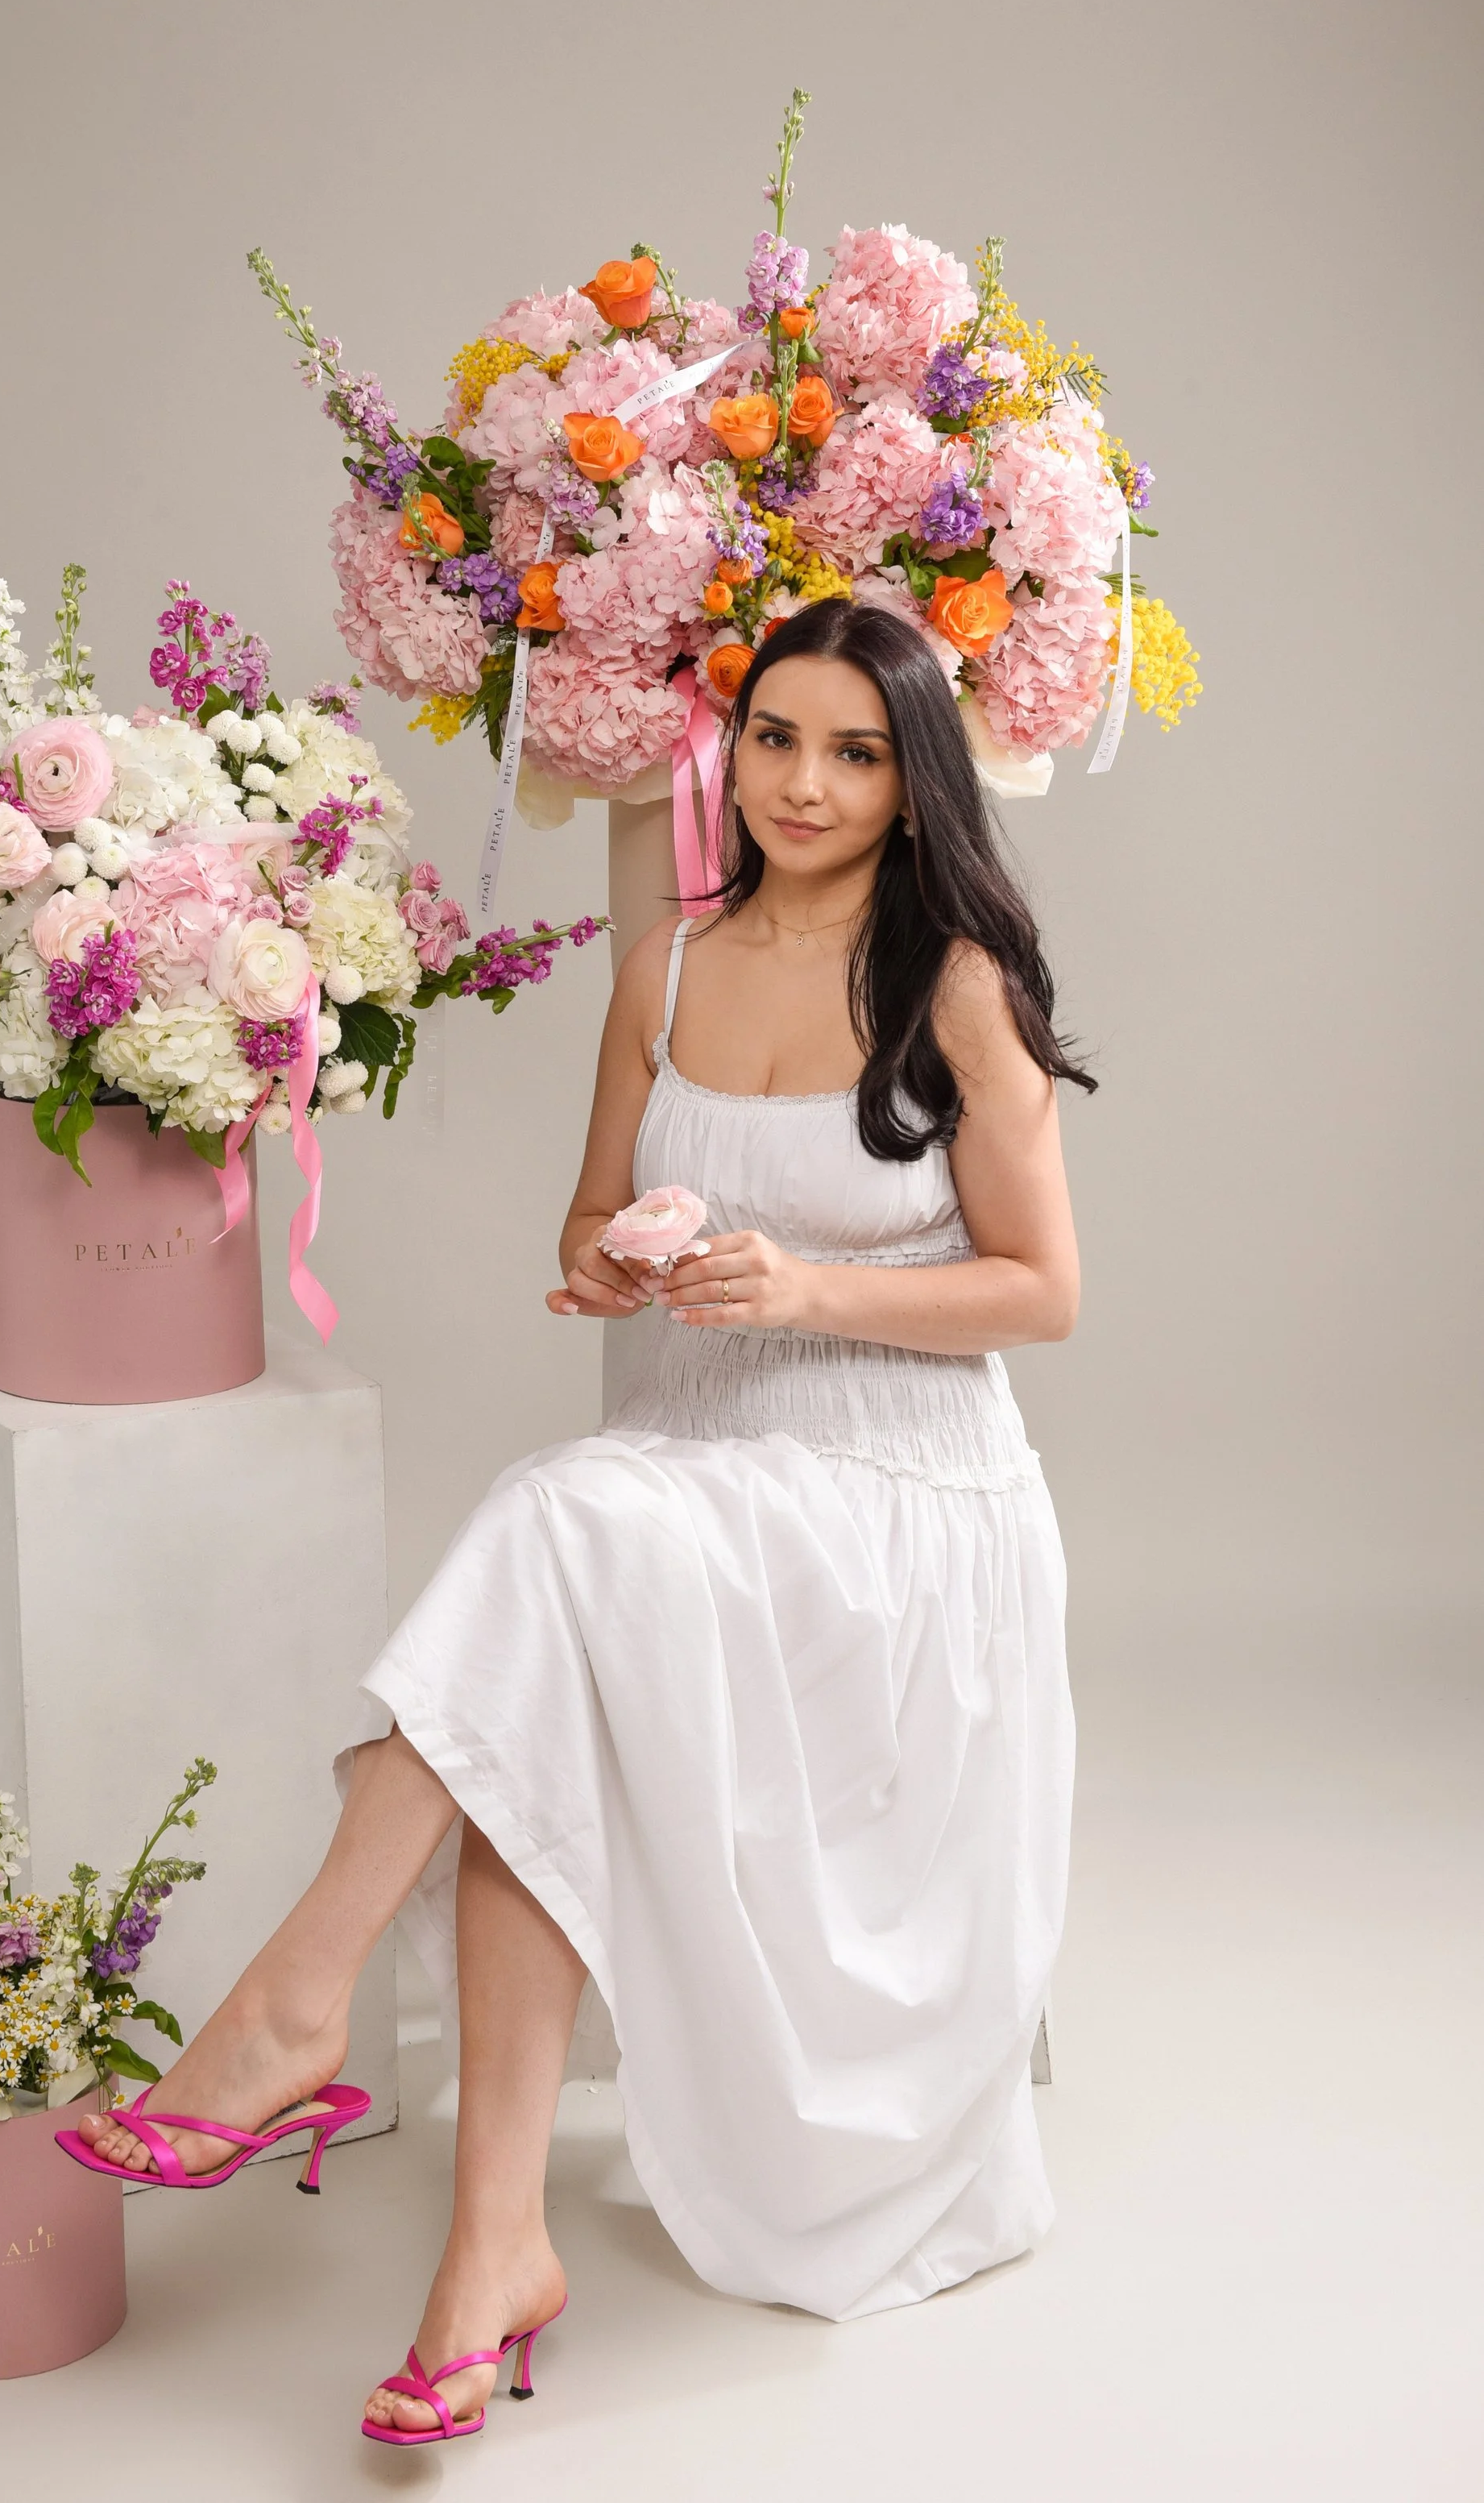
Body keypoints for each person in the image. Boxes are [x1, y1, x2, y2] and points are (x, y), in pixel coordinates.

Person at [68, 596, 1085, 2443]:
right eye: (774, 736)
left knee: (549, 1533)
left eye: (854, 751)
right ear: (732, 745)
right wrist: (618, 1274)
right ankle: (488, 2258)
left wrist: (802, 1296)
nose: (802, 780)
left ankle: (295, 2002)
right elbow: (585, 1215)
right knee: (531, 1679)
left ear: (912, 779)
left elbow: (1041, 1292)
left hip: (897, 1503)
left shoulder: (950, 986)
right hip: (687, 1473)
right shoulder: (666, 970)